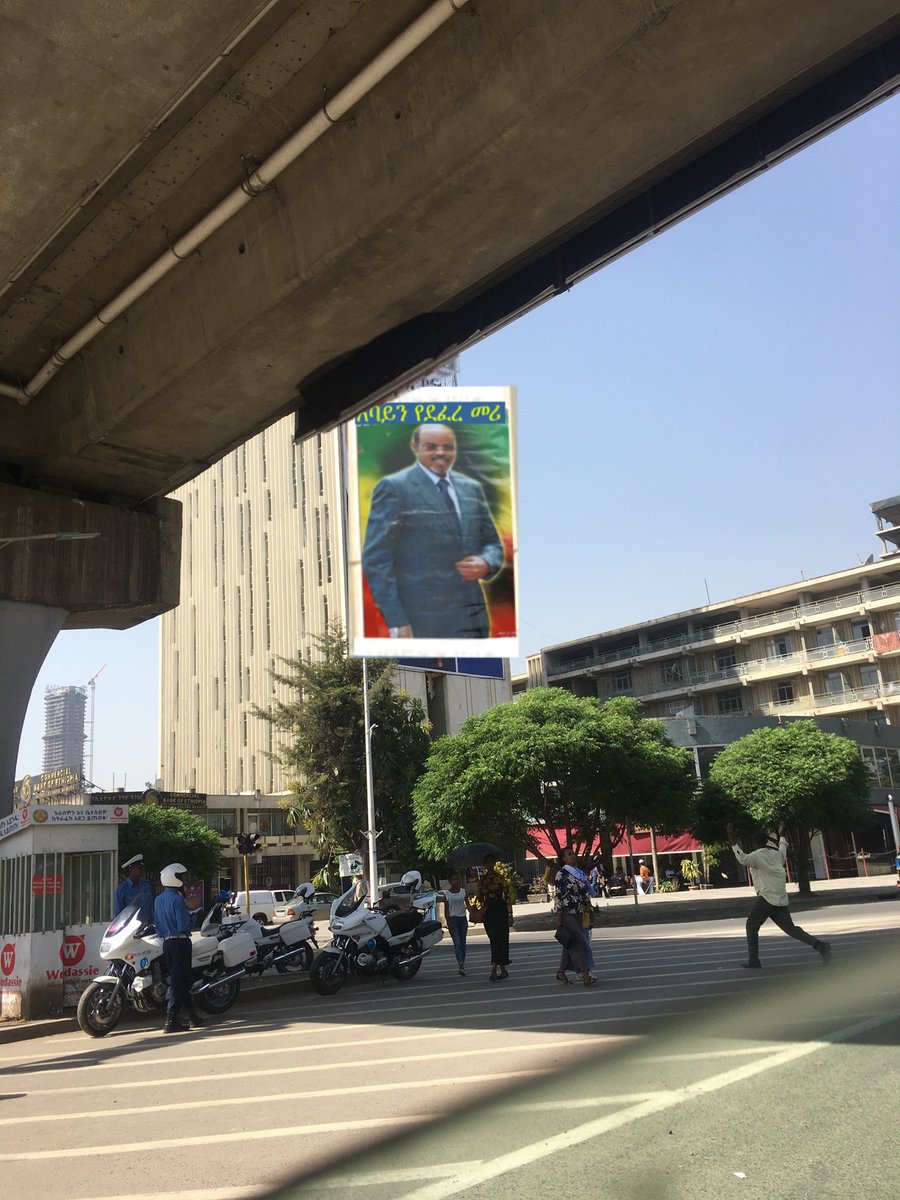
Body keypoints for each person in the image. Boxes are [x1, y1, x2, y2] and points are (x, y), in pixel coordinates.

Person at [361, 423, 505, 639]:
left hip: (473, 620)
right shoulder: (394, 488)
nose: (441, 452)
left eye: (447, 447)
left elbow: (493, 543)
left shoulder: (471, 488)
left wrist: (486, 562)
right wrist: (396, 620)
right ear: (415, 447)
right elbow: (376, 560)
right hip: (420, 621)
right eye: (431, 447)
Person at [726, 822, 831, 969]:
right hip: (780, 897)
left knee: (751, 925)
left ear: (754, 843)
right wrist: (781, 834)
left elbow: (742, 858)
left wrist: (732, 837)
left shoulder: (755, 857)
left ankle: (753, 960)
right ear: (766, 842)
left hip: (767, 897)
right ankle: (819, 945)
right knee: (790, 928)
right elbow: (783, 848)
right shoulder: (776, 855)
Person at [154, 862, 203, 1033]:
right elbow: (184, 926)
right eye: (180, 876)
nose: (183, 880)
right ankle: (171, 1018)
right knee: (179, 980)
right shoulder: (177, 899)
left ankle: (191, 1014)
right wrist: (193, 914)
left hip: (166, 943)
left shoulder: (158, 900)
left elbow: (157, 924)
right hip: (180, 942)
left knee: (179, 979)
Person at [553, 848, 596, 986]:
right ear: (563, 858)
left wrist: (588, 903)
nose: (572, 856)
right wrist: (559, 913)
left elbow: (584, 890)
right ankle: (584, 972)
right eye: (569, 854)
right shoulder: (561, 874)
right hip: (567, 911)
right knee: (579, 941)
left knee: (569, 941)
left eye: (573, 854)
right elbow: (558, 895)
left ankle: (561, 972)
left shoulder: (578, 872)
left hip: (579, 911)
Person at [476, 854, 514, 982]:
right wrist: (478, 889)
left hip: (500, 909)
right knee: (494, 938)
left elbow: (507, 896)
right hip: (488, 910)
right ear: (484, 865)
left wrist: (510, 914)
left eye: (491, 862)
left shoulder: (500, 878)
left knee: (501, 939)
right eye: (486, 862)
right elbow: (480, 899)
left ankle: (494, 968)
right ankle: (502, 968)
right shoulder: (482, 880)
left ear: (494, 863)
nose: (489, 864)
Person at [441, 870, 469, 976]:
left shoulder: (463, 891)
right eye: (454, 879)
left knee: (463, 944)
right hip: (453, 920)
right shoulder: (447, 894)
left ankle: (462, 964)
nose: (456, 881)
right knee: (457, 944)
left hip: (463, 920)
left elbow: (468, 905)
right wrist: (448, 923)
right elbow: (446, 911)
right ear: (450, 881)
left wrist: (474, 912)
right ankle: (461, 965)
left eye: (457, 879)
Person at [114, 853, 154, 922]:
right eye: (139, 868)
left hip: (146, 925)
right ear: (131, 869)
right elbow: (119, 913)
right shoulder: (122, 889)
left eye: (142, 868)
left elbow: (151, 907)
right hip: (130, 926)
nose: (142, 870)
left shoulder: (146, 885)